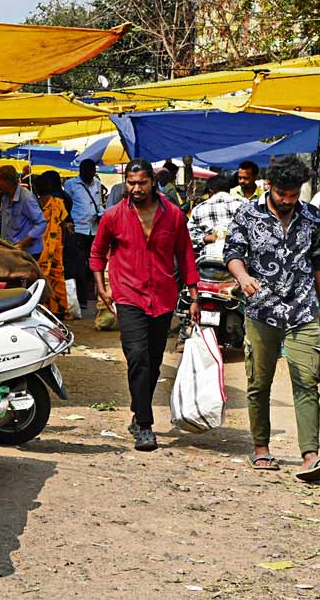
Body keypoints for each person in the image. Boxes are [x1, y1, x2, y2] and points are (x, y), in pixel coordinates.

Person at [224, 156, 320, 482]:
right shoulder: (248, 214)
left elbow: (319, 261)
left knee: (307, 380)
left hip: (303, 309)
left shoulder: (311, 216)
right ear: (269, 187)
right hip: (261, 309)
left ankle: (311, 456)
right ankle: (261, 449)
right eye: (282, 194)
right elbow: (232, 253)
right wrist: (243, 276)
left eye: (294, 195)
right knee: (259, 382)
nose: (288, 201)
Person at [90, 158, 200, 452]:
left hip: (163, 297)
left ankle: (138, 413)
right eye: (131, 183)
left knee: (152, 362)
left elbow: (186, 255)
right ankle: (145, 425)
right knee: (137, 356)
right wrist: (102, 288)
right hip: (128, 295)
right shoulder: (113, 216)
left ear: (153, 181)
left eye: (141, 183)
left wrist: (193, 295)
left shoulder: (174, 215)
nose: (136, 189)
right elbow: (98, 254)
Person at [64, 160, 105, 313]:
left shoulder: (97, 184)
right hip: (78, 228)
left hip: (94, 229)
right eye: (87, 172)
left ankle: (91, 292)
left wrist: (102, 213)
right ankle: (82, 298)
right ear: (81, 171)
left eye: (92, 172)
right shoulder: (71, 184)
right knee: (79, 263)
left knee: (93, 261)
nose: (90, 174)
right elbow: (66, 204)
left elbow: (99, 203)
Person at [34, 171, 71, 316]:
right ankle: (59, 309)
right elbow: (63, 222)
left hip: (43, 248)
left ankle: (46, 309)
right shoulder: (59, 203)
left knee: (43, 277)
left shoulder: (37, 205)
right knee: (57, 277)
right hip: (55, 248)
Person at [0, 165, 46, 258]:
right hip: (12, 250)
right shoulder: (5, 197)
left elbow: (41, 223)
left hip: (28, 253)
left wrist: (22, 243)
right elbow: (1, 219)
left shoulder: (26, 198)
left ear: (7, 181)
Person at [187, 175, 246, 253]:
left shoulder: (199, 209)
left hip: (209, 257)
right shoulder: (244, 204)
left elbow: (190, 235)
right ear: (228, 189)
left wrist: (209, 238)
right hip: (239, 256)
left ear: (210, 190)